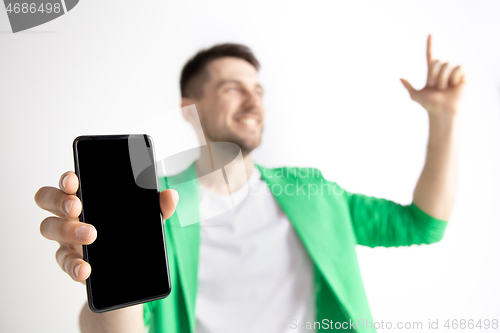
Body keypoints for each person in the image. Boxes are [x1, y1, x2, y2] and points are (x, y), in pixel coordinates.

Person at [35, 35, 465, 333]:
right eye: (232, 88)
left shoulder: (312, 192)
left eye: (258, 89)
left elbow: (422, 224)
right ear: (190, 110)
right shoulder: (154, 205)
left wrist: (444, 119)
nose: (254, 99)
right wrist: (104, 271)